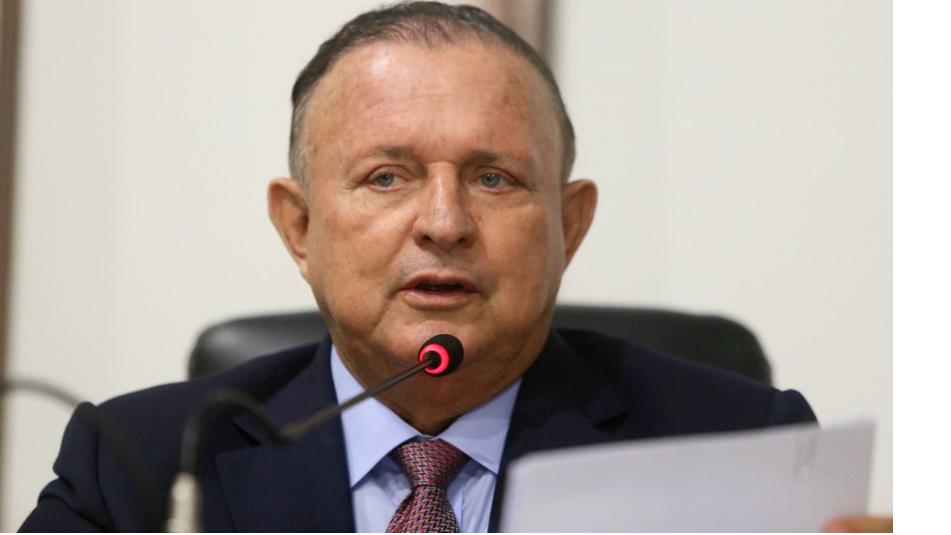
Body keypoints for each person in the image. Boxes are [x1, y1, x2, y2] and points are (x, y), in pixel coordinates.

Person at [19, 2, 888, 532]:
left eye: (493, 178)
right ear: (300, 225)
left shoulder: (736, 446)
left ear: (568, 225)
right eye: (386, 177)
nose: (443, 223)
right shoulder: (135, 464)